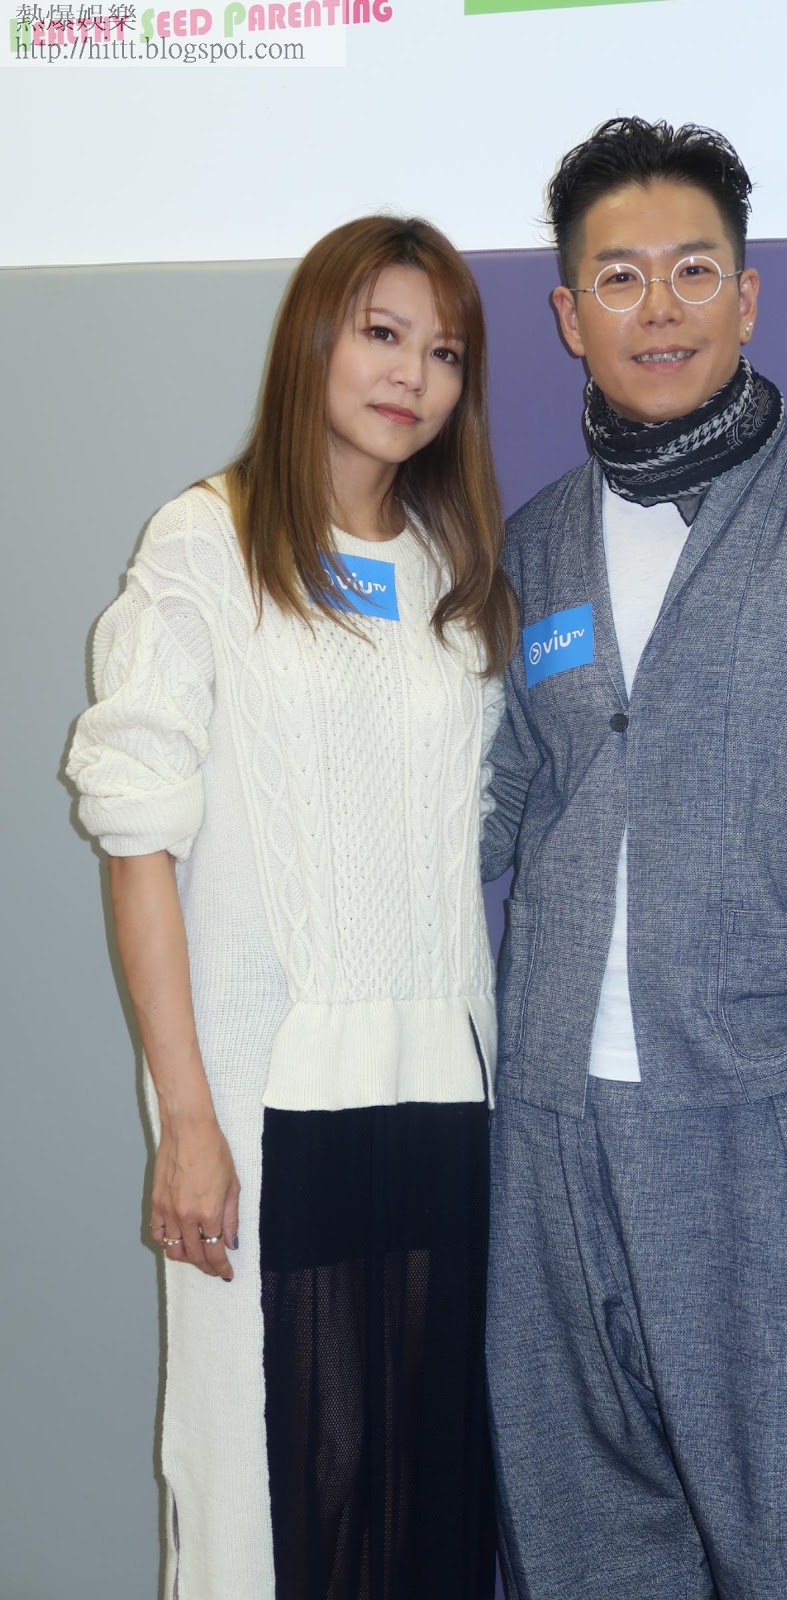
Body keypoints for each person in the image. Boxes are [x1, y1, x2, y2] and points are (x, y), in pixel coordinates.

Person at [482, 118, 787, 1600]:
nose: (661, 308)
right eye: (619, 277)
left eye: (693, 271)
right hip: (552, 1115)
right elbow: (494, 799)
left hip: (768, 1103)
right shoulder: (534, 547)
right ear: (569, 315)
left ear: (746, 297)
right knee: (585, 1525)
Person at [67, 215, 514, 1600]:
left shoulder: (452, 572)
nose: (413, 375)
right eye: (382, 333)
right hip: (266, 1103)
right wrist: (186, 1120)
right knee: (266, 1501)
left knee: (419, 1485)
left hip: (441, 1086)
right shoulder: (204, 543)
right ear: (314, 337)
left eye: (444, 351)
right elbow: (138, 841)